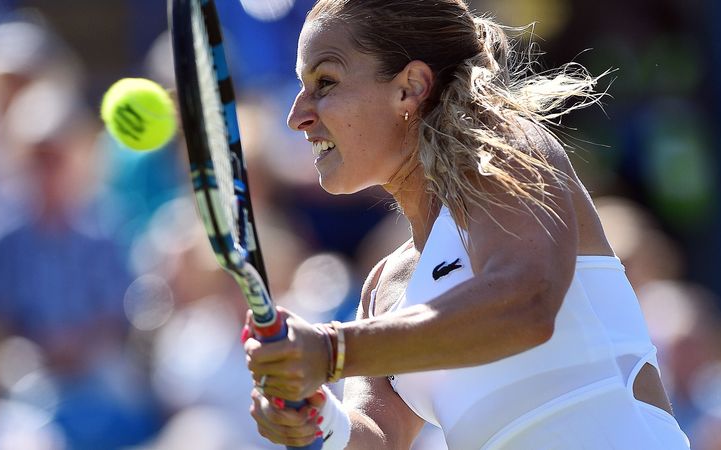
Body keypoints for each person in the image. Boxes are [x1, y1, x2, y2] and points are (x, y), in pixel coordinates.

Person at [243, 1, 692, 449]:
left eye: (325, 82)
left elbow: (525, 305)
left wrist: (331, 351)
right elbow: (378, 440)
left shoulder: (505, 151)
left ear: (410, 87)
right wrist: (318, 417)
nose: (297, 115)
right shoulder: (383, 290)